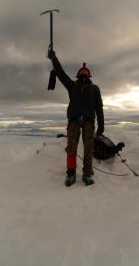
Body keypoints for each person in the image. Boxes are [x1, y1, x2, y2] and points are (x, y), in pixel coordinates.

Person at [48, 49, 104, 186]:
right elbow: (61, 74)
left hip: (89, 120)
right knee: (71, 147)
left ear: (89, 75)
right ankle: (71, 174)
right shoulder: (72, 86)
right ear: (78, 75)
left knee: (88, 148)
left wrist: (101, 125)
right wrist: (53, 59)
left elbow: (99, 107)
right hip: (73, 119)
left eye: (86, 72)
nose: (83, 73)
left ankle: (87, 174)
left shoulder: (95, 88)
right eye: (81, 72)